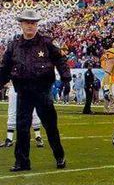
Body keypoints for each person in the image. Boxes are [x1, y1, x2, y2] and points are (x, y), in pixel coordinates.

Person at [0, 9, 69, 172]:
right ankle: (22, 162)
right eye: (27, 23)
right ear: (21, 24)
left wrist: (66, 78)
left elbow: (61, 59)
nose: (30, 26)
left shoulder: (47, 42)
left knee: (50, 126)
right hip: (23, 91)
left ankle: (59, 156)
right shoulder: (13, 45)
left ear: (37, 25)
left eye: (33, 23)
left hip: (42, 91)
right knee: (22, 128)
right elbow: (4, 68)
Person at [0, 82, 44, 148]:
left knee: (34, 112)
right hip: (15, 87)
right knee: (12, 112)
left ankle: (38, 137)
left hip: (30, 87)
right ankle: (9, 138)